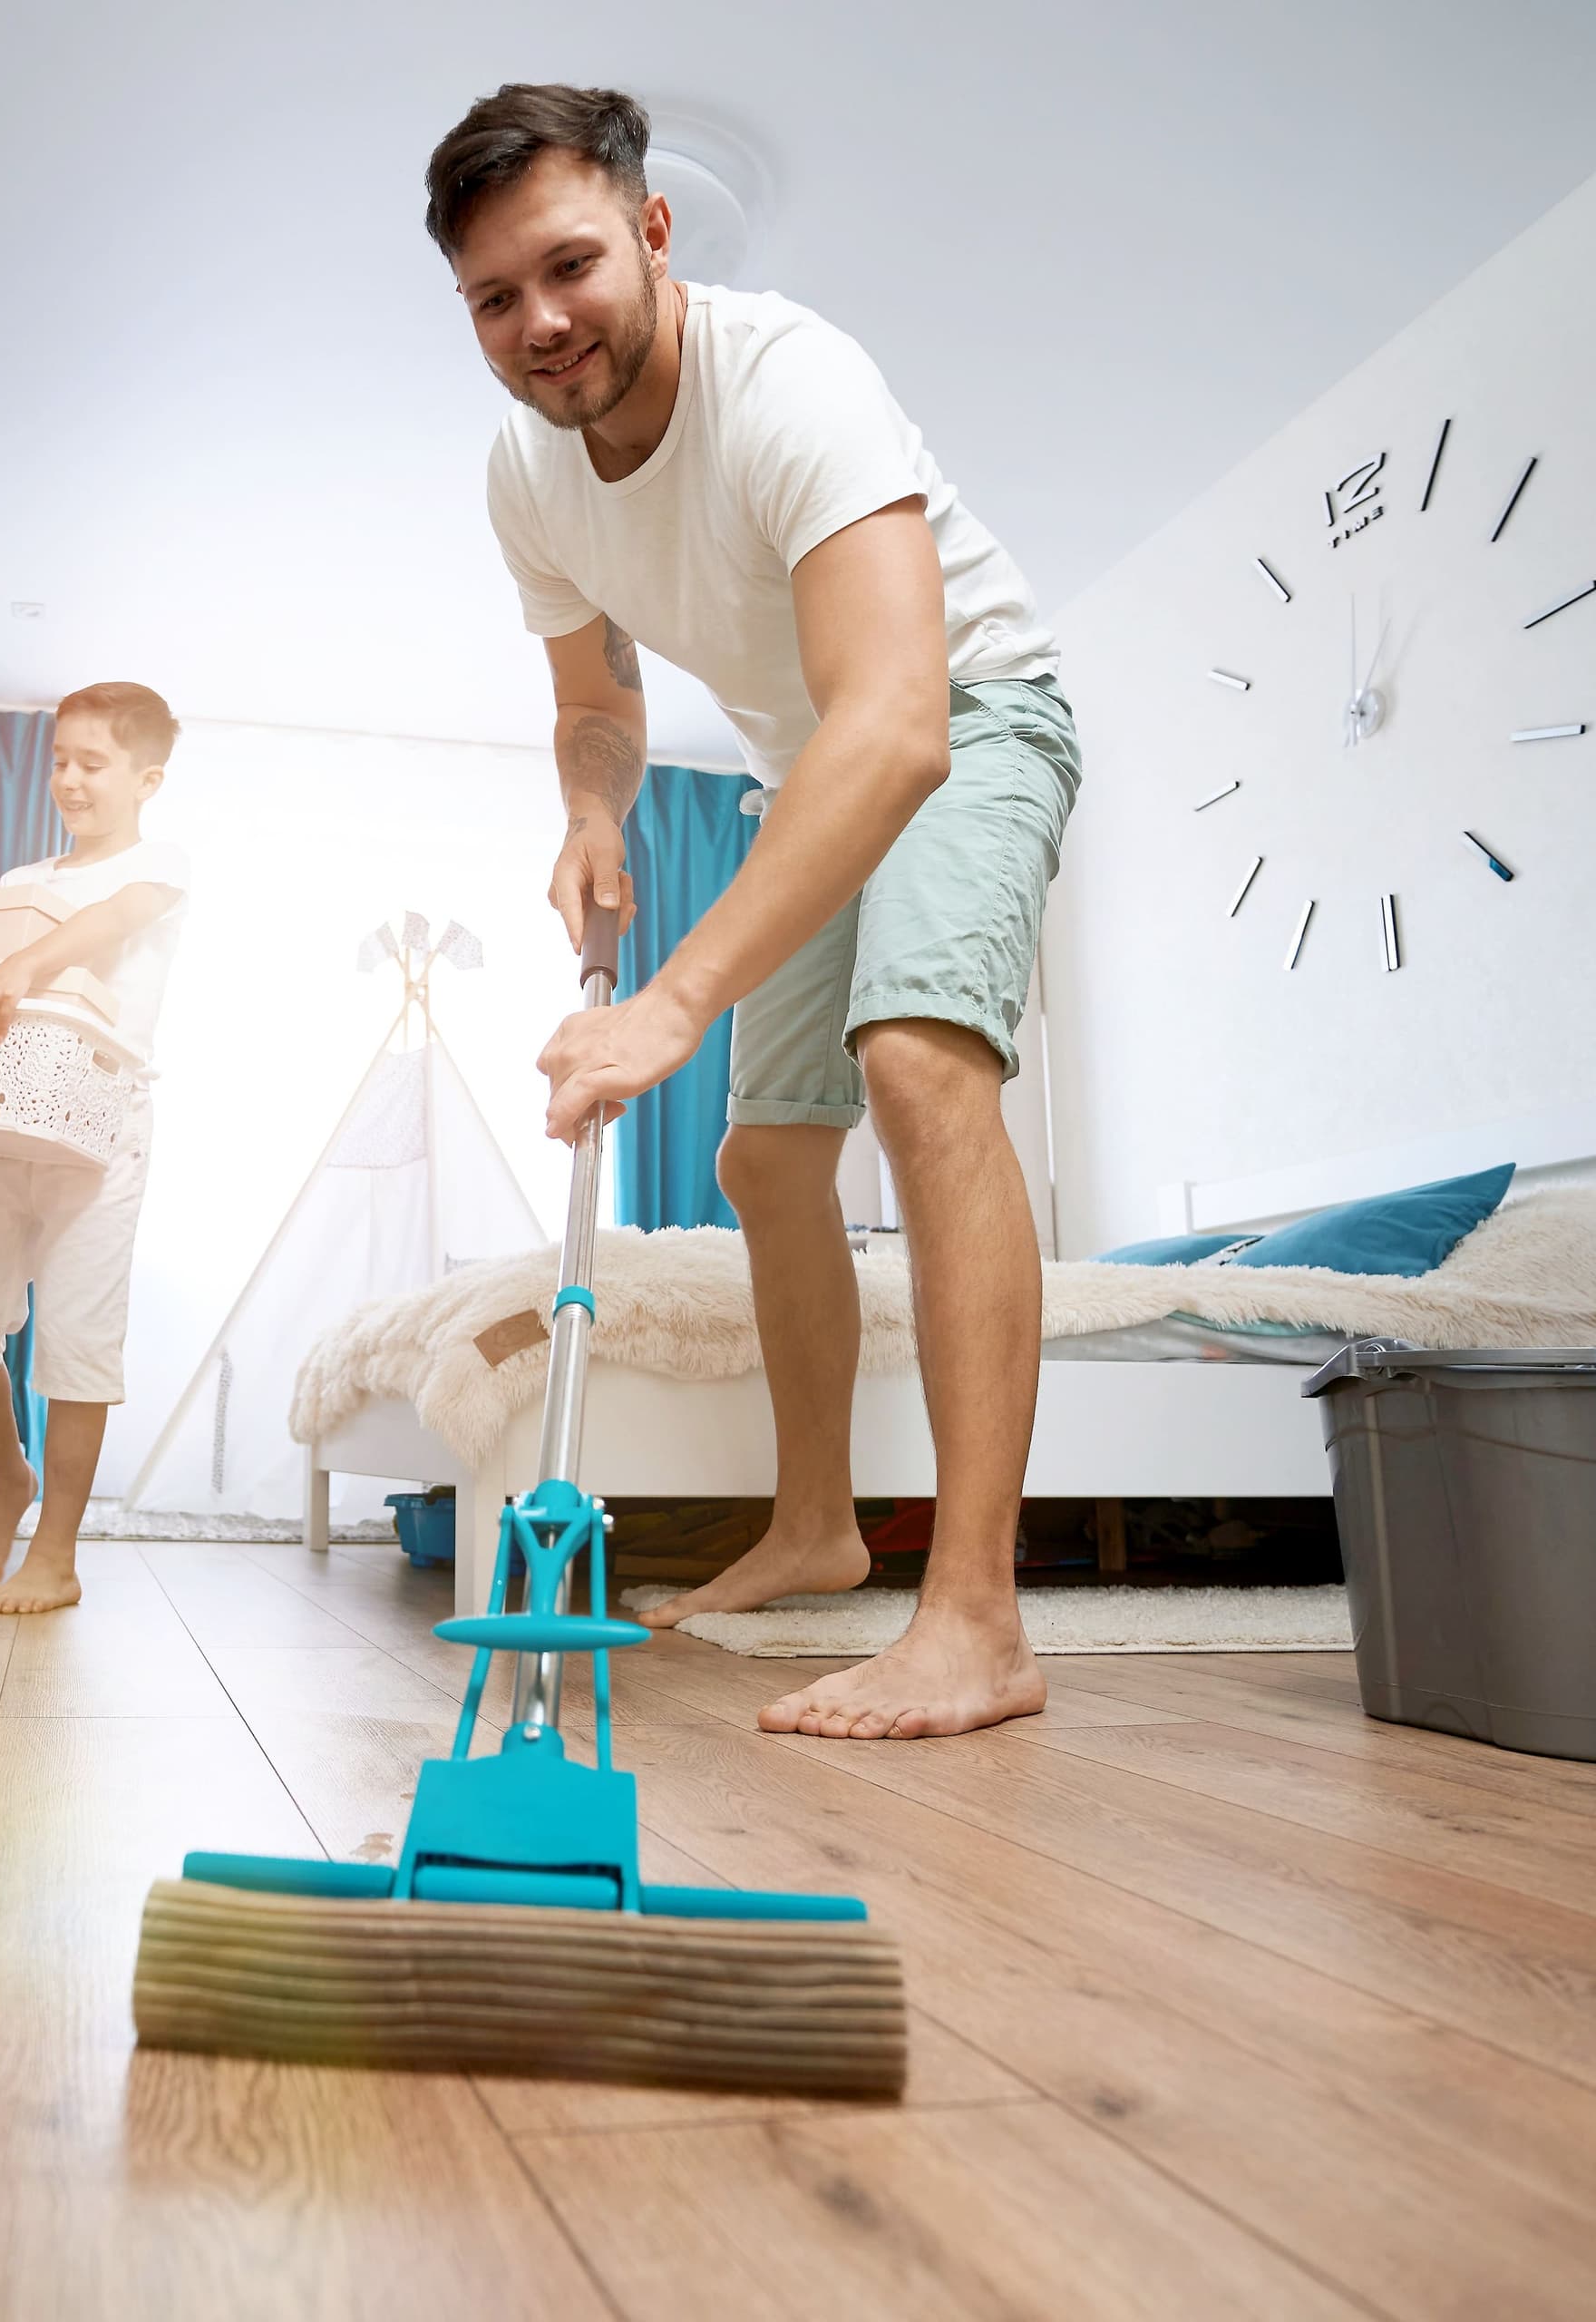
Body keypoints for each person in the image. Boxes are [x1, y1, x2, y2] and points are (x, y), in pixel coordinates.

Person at [428, 84, 1082, 1738]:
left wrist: (674, 998)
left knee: (921, 1065)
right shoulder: (531, 475)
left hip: (974, 708)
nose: (540, 322)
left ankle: (978, 1621)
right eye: (494, 298)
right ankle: (813, 1526)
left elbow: (902, 726)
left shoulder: (793, 384)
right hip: (814, 771)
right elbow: (596, 698)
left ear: (654, 233)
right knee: (765, 1152)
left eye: (569, 265)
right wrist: (591, 805)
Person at [0, 681, 190, 1614]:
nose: (67, 778)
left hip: (99, 1135)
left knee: (76, 1339)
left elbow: (102, 927)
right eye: (59, 759)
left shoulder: (159, 866)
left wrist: (23, 965)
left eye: (91, 763)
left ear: (146, 777)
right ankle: (10, 1480)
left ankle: (55, 1556)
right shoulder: (21, 885)